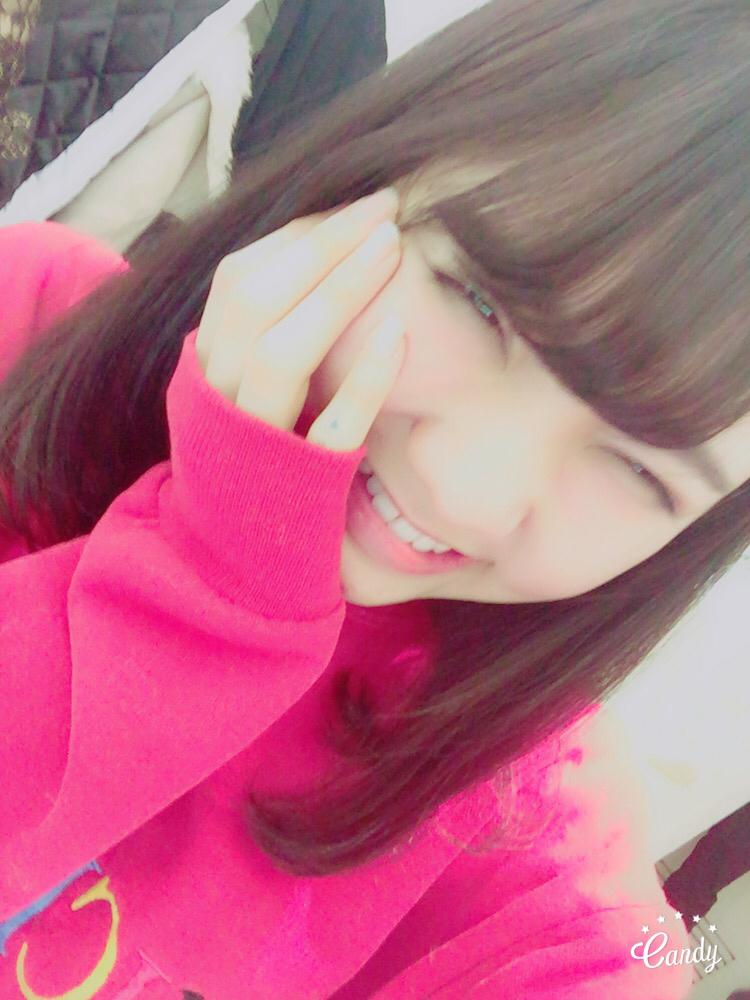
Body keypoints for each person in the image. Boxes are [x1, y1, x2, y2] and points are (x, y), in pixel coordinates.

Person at [0, 0, 748, 996]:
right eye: (479, 302)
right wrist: (217, 578)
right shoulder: (28, 323)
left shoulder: (527, 850)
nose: (463, 489)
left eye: (645, 472)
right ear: (373, 174)